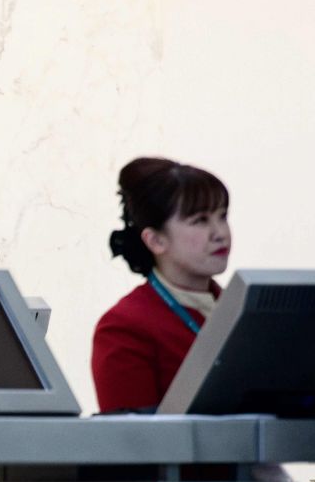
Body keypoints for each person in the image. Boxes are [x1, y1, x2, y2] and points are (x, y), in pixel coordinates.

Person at [91, 157, 231, 412]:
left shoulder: (241, 308)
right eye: (200, 220)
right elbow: (133, 443)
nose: (220, 232)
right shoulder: (124, 327)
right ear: (155, 240)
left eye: (222, 216)